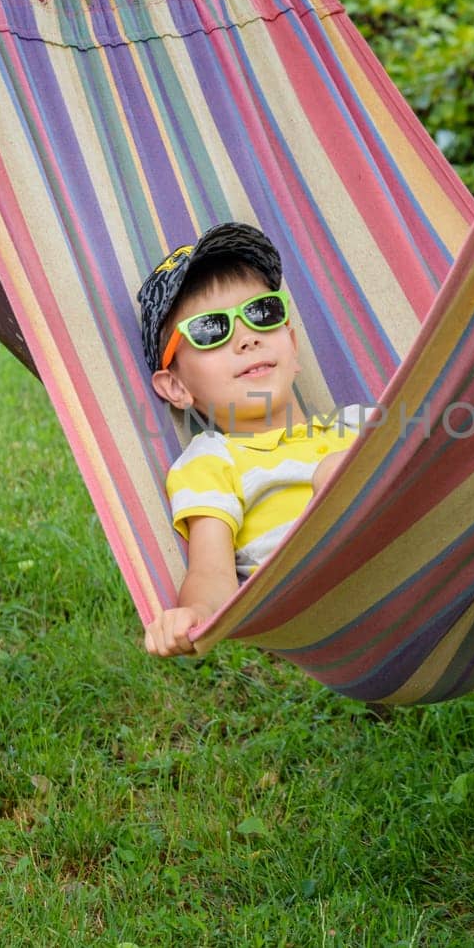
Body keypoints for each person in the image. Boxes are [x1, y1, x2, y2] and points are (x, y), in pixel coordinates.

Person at [136, 222, 362, 657]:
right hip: (322, 595)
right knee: (343, 470)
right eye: (209, 329)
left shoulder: (359, 424)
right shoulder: (212, 461)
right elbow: (212, 572)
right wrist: (196, 614)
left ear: (292, 347)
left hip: (427, 557)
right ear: (176, 387)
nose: (246, 337)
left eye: (262, 312)